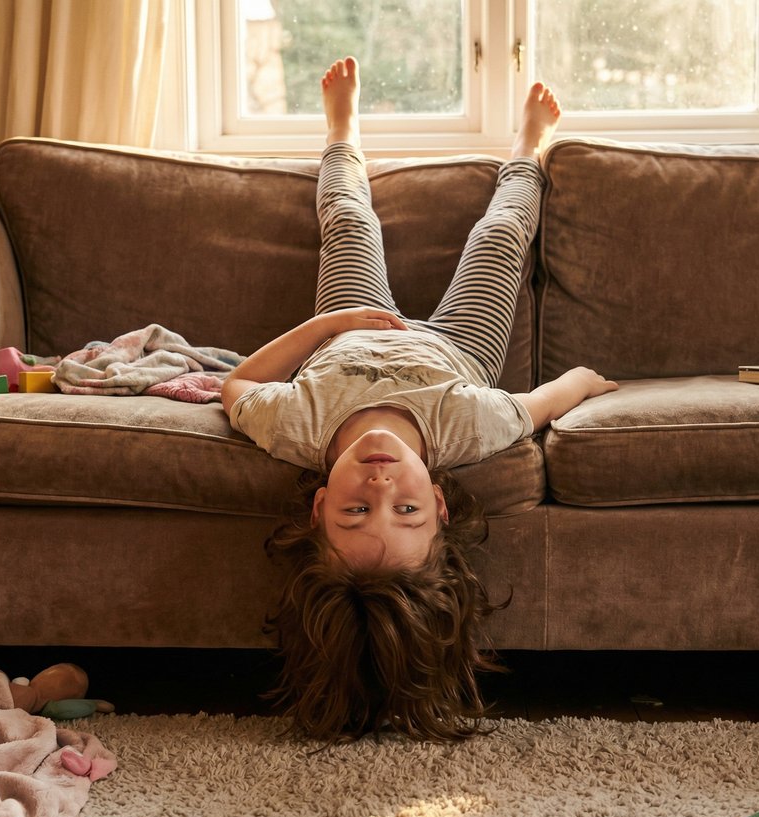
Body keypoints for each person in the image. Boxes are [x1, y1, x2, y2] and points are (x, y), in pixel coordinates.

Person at [223, 56, 617, 743]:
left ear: (320, 505)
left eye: (355, 509)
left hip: (352, 324)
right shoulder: (472, 425)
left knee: (349, 221)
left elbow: (236, 386)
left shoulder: (298, 425)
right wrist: (592, 382)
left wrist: (327, 326)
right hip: (461, 347)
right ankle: (528, 149)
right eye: (404, 508)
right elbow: (554, 395)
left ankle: (341, 130)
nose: (380, 483)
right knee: (499, 237)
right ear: (437, 501)